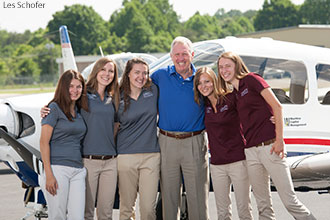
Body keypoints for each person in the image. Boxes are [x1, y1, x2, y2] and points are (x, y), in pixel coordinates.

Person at [217, 51, 316, 220]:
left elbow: (277, 107)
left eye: (228, 66)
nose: (224, 70)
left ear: (236, 66)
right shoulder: (234, 94)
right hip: (251, 152)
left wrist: (279, 141)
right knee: (262, 205)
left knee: (290, 201)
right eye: (220, 67)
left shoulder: (252, 80)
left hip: (270, 147)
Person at [41, 57, 120, 220]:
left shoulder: (114, 98)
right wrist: (44, 109)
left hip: (104, 162)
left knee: (104, 213)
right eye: (103, 70)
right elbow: (60, 106)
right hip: (84, 161)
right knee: (82, 213)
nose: (107, 74)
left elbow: (115, 125)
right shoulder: (83, 98)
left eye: (111, 71)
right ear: (96, 71)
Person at [151, 36, 209, 220]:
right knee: (169, 197)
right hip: (167, 142)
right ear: (171, 56)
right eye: (177, 54)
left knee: (198, 197)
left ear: (192, 55)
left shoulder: (202, 79)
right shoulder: (159, 76)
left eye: (184, 53)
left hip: (195, 142)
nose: (181, 58)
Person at [193, 67, 253, 220]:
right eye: (199, 83)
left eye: (207, 81)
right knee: (222, 211)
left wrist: (270, 118)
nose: (203, 86)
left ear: (214, 81)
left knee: (244, 209)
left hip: (238, 161)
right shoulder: (202, 105)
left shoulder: (231, 98)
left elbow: (252, 109)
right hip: (217, 164)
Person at [39, 69, 89, 220]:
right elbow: (43, 143)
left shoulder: (79, 111)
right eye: (71, 86)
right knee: (58, 216)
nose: (75, 90)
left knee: (77, 217)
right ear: (63, 87)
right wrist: (49, 175)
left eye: (78, 87)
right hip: (57, 169)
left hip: (78, 170)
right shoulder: (53, 109)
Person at [116, 58, 160, 220]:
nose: (141, 77)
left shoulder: (153, 90)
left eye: (145, 73)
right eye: (137, 72)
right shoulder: (117, 96)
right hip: (125, 157)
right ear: (128, 74)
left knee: (148, 209)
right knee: (127, 209)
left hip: (151, 156)